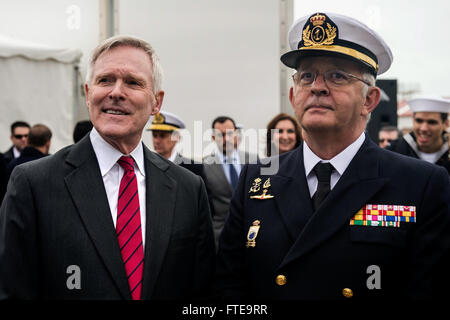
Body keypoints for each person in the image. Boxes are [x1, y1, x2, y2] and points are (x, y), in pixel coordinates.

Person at [215, 12, 450, 300]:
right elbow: (229, 282)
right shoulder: (258, 176)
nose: (317, 87)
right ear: (293, 96)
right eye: (307, 76)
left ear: (369, 100)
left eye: (337, 76)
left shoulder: (421, 184)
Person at [0, 35, 215, 300]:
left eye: (133, 82)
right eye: (105, 80)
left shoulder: (188, 189)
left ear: (156, 103)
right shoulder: (34, 183)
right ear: (89, 94)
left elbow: (202, 291)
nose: (116, 92)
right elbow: (12, 290)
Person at [203, 116, 256, 250]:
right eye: (220, 135)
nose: (226, 139)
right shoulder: (205, 166)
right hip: (218, 238)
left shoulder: (254, 161)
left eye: (229, 134)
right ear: (213, 138)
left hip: (251, 236)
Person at [387, 97, 450, 173]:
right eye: (419, 121)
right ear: (413, 120)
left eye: (431, 122)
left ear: (446, 124)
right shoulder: (394, 150)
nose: (424, 128)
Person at [147, 111, 204, 177]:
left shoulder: (194, 169)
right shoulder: (146, 165)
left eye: (163, 135)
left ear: (177, 137)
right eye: (154, 135)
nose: (157, 141)